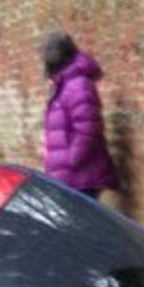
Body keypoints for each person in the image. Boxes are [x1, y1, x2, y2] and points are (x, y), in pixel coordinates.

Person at [40, 32, 120, 200]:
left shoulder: (78, 85)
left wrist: (71, 161)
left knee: (82, 225)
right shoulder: (62, 84)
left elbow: (89, 128)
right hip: (67, 177)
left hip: (79, 177)